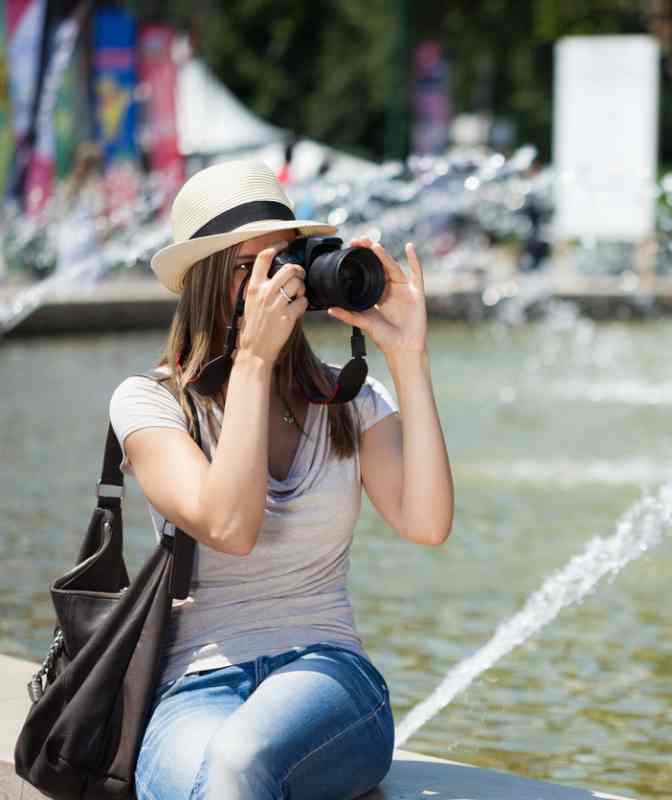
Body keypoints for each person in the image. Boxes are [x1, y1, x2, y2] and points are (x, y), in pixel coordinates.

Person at [110, 159, 454, 799]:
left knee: (239, 762)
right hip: (197, 685)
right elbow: (230, 527)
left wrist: (408, 355)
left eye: (286, 260)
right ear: (210, 281)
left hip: (327, 673)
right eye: (255, 267)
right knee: (219, 779)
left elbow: (428, 522)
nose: (281, 284)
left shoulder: (348, 401)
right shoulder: (151, 405)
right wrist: (253, 361)